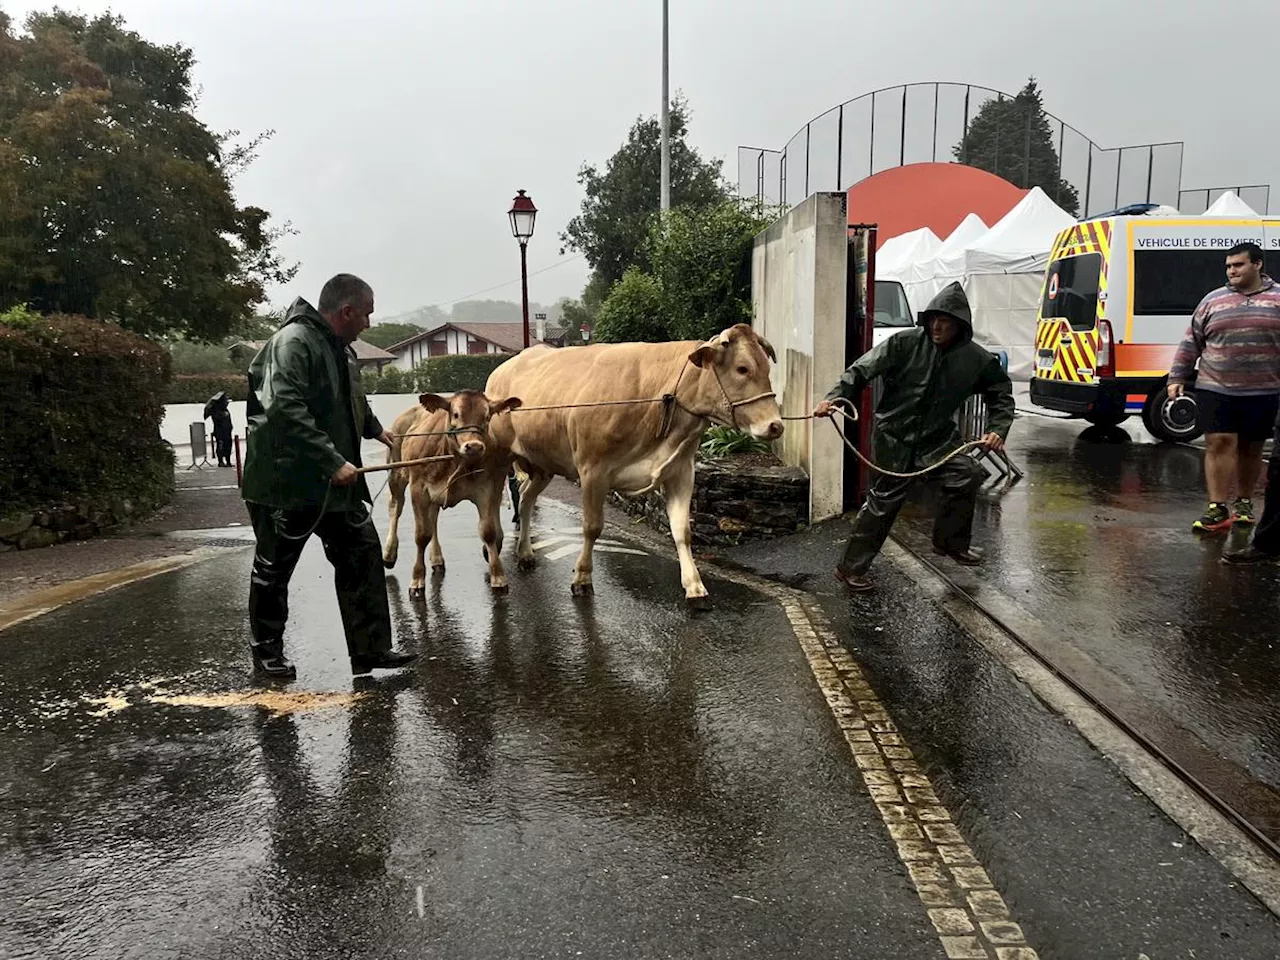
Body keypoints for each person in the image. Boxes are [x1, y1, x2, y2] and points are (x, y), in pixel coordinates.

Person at [240, 273, 419, 680]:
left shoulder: (342, 349)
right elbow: (282, 407)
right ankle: (267, 652)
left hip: (335, 483)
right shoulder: (293, 343)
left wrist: (375, 429)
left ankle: (370, 650)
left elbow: (350, 398)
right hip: (285, 485)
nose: (369, 324)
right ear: (347, 311)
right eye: (367, 315)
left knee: (363, 554)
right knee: (273, 569)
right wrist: (330, 460)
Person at [814, 281, 1014, 592]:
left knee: (968, 472)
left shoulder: (976, 360)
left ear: (959, 325)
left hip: (938, 441)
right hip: (894, 437)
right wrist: (835, 398)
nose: (936, 326)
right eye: (933, 318)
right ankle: (849, 568)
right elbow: (859, 371)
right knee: (884, 502)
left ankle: (949, 543)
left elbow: (1001, 394)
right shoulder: (903, 343)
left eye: (944, 321)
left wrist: (997, 428)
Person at [1168, 242, 1280, 532]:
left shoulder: (1278, 298)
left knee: (1251, 448)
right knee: (1219, 443)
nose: (1232, 271)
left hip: (1264, 390)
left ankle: (1243, 502)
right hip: (1215, 387)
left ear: (1257, 265)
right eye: (1229, 266)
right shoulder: (1212, 300)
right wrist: (1177, 377)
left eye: (1238, 265)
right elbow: (1191, 340)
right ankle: (1217, 508)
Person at [203, 391, 234, 467]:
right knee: (220, 446)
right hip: (220, 432)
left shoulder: (225, 410)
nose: (227, 403)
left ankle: (228, 461)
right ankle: (221, 461)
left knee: (228, 446)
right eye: (225, 401)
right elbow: (217, 420)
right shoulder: (216, 411)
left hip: (227, 431)